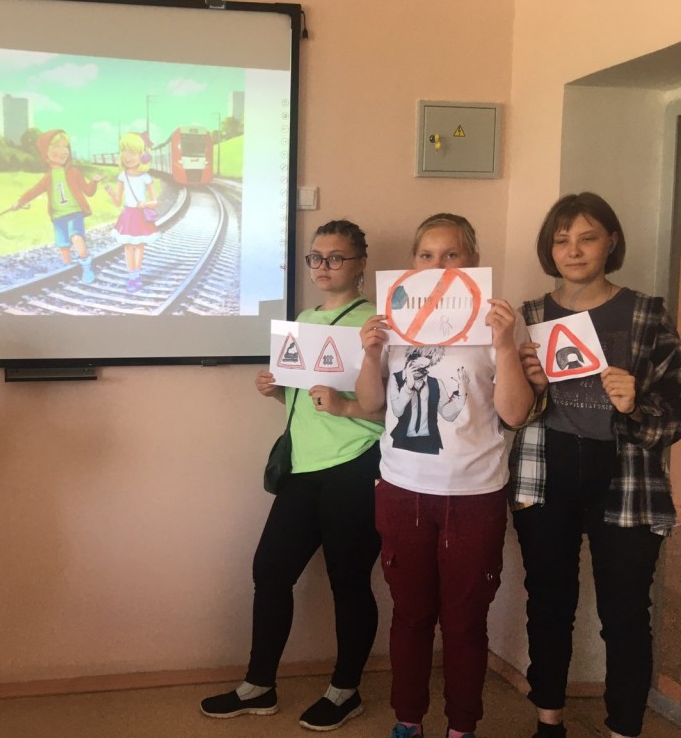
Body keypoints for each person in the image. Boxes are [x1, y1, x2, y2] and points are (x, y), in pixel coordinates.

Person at [200, 220, 384, 732]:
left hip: (356, 466)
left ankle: (345, 690)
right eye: (316, 257)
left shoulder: (375, 324)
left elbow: (392, 408)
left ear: (360, 264)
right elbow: (308, 401)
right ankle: (259, 685)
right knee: (270, 572)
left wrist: (344, 406)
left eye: (336, 257)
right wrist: (278, 391)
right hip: (302, 468)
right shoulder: (304, 319)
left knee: (349, 582)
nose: (324, 267)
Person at [508, 193, 681, 738]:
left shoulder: (646, 312)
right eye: (562, 240)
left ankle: (623, 728)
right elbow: (515, 413)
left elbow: (674, 409)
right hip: (544, 471)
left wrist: (635, 404)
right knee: (548, 604)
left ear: (611, 241)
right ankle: (549, 722)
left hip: (627, 479)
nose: (574, 250)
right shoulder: (533, 314)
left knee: (625, 614)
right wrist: (533, 385)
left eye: (587, 238)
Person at [355, 214, 533, 738]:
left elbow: (515, 413)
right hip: (402, 490)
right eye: (427, 255)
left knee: (464, 621)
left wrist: (505, 344)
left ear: (472, 262)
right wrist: (371, 353)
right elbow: (370, 404)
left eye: (452, 254)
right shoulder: (394, 323)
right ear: (413, 263)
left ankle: (462, 726)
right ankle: (408, 720)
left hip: (474, 494)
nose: (438, 265)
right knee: (410, 615)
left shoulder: (498, 323)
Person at [14, 128, 102, 283]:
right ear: (45, 153)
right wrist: (20, 201)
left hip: (74, 212)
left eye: (65, 147)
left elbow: (88, 191)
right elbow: (34, 191)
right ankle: (67, 268)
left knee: (76, 237)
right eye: (56, 147)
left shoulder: (73, 172)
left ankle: (86, 266)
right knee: (63, 244)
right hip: (57, 215)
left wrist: (94, 182)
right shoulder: (48, 177)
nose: (62, 151)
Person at [105, 132, 159, 293]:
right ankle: (132, 278)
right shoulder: (122, 176)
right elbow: (117, 202)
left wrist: (145, 204)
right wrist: (111, 193)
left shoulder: (146, 177)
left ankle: (137, 277)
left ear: (144, 156)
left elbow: (155, 202)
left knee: (139, 246)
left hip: (140, 215)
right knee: (128, 246)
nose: (127, 157)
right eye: (124, 151)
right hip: (128, 215)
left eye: (133, 153)